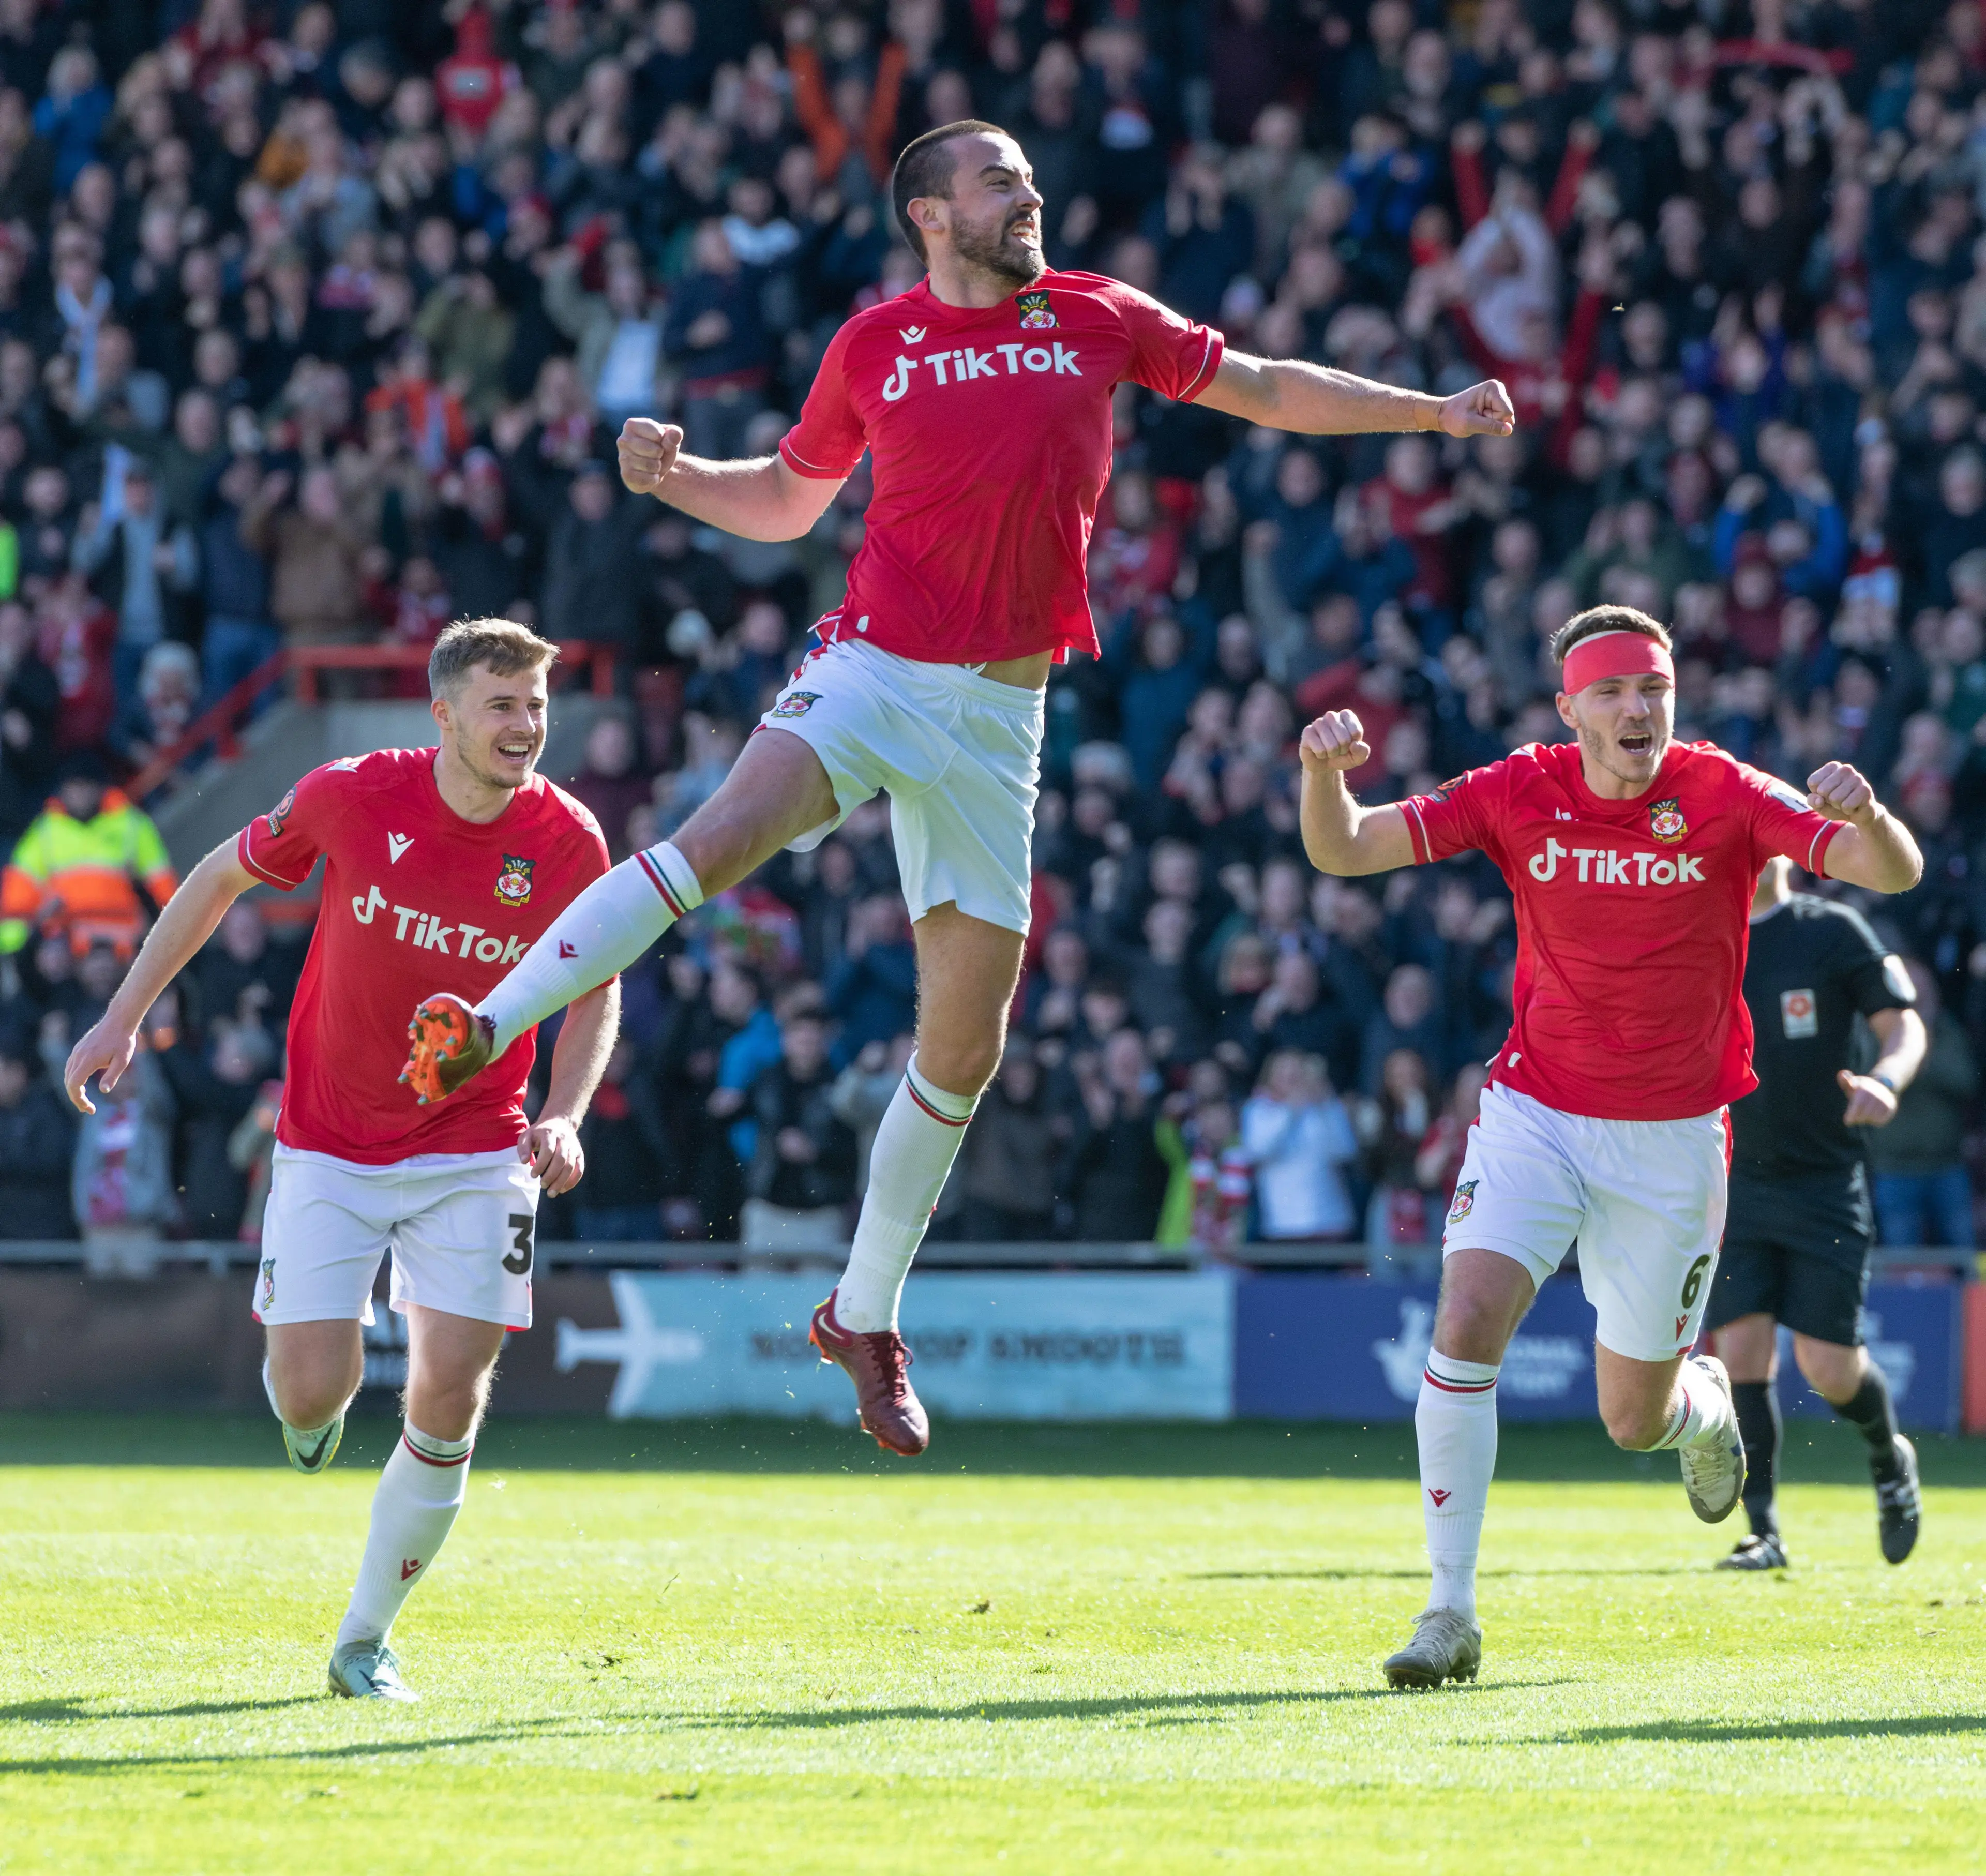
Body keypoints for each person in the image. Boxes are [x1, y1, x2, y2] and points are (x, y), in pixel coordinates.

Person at [398, 117, 1515, 1459]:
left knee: (965, 1052)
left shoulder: (1096, 315)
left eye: (1027, 177)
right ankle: (488, 1022)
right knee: (720, 839)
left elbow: (1267, 385)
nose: (1026, 192)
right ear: (931, 212)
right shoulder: (875, 342)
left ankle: (861, 1317)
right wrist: (674, 477)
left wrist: (1432, 410)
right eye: (998, 179)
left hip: (1002, 718)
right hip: (872, 670)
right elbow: (785, 505)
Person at [1298, 602, 1923, 1690]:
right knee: (1466, 1315)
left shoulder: (1723, 791)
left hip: (1674, 1144)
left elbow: (1895, 875)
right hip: (1535, 1114)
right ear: (1570, 709)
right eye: (1616, 691)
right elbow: (1345, 847)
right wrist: (1321, 773)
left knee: (1633, 1421)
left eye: (1656, 689)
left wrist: (1869, 817)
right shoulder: (1516, 789)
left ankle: (1704, 1405)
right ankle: (1449, 1609)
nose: (1640, 708)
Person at [61, 620, 617, 1705]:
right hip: (327, 1142)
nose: (525, 726)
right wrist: (125, 1017)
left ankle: (366, 1640)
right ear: (444, 714)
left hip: (478, 1145)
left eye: (537, 705)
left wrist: (565, 1111)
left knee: (451, 1393)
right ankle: (311, 1422)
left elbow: (597, 979)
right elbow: (219, 877)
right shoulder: (352, 793)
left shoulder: (568, 839)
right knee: (311, 1391)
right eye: (502, 704)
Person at [1705, 854, 1928, 1572]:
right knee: (1740, 1352)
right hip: (1730, 1179)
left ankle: (1888, 1456)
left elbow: (1906, 1027)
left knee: (1829, 1367)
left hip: (1824, 1180)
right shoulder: (1699, 931)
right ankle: (1762, 1529)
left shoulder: (1833, 929)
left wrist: (1886, 1080)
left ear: (1782, 846)